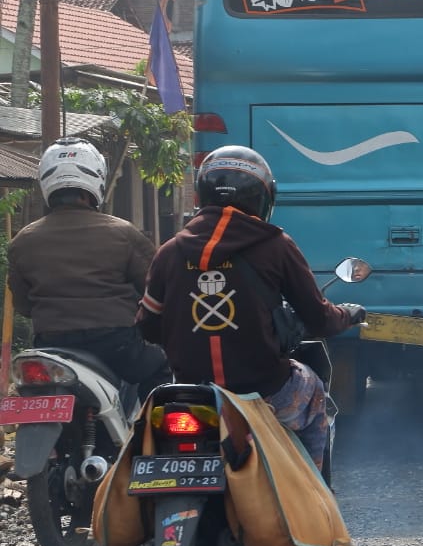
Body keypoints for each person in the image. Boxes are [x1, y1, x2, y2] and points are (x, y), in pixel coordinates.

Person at [136, 146, 364, 468]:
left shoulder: (170, 252)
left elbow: (147, 326)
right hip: (266, 391)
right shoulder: (275, 245)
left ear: (201, 195)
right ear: (263, 197)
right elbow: (319, 319)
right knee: (314, 396)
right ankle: (316, 502)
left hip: (190, 394)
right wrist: (347, 315)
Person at [7, 137, 172, 397]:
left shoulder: (22, 241)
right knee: (159, 368)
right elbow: (156, 290)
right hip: (116, 343)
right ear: (96, 180)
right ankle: (146, 437)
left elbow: (24, 306)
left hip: (50, 345)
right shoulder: (123, 233)